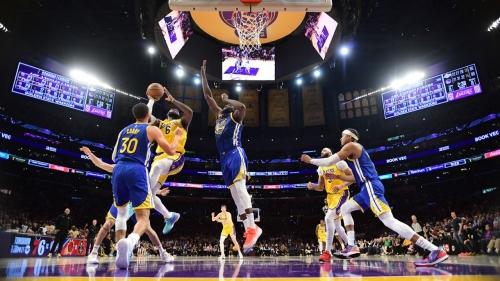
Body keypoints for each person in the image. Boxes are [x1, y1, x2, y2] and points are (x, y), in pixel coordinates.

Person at [301, 128, 449, 266]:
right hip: (365, 187)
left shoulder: (352, 145)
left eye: (342, 136)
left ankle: (434, 250)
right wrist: (337, 176)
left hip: (370, 186)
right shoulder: (355, 152)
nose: (341, 138)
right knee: (345, 208)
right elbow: (355, 178)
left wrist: (310, 160)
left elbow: (328, 161)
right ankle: (352, 246)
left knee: (389, 221)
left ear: (349, 137)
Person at [111, 103, 182, 269]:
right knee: (143, 218)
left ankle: (120, 249)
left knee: (121, 215)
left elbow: (114, 156)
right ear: (149, 114)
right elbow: (171, 151)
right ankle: (130, 241)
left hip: (119, 169)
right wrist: (177, 136)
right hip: (136, 170)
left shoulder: (123, 130)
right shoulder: (151, 129)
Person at [201, 60, 261, 253]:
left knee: (241, 189)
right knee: (235, 198)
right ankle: (247, 231)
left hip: (235, 153)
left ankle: (253, 227)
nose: (222, 106)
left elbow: (242, 106)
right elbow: (208, 95)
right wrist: (203, 75)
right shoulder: (219, 115)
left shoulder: (234, 117)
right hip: (223, 158)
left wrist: (228, 100)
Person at [79, 147, 174, 264]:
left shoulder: (139, 170)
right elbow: (100, 163)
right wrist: (89, 153)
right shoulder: (118, 167)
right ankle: (93, 253)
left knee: (148, 228)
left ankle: (162, 252)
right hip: (120, 202)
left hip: (134, 203)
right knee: (108, 223)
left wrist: (159, 192)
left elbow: (146, 186)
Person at [147, 87, 193, 234]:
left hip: (175, 156)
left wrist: (173, 100)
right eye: (172, 108)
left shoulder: (182, 123)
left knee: (157, 168)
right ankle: (169, 216)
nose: (174, 109)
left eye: (176, 109)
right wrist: (151, 100)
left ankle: (140, 195)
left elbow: (189, 112)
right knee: (152, 195)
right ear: (167, 114)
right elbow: (147, 117)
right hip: (159, 157)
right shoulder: (161, 123)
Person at [308, 147, 351, 262]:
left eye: (324, 151)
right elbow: (321, 187)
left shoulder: (339, 163)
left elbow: (353, 178)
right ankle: (351, 245)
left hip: (342, 193)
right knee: (337, 225)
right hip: (330, 196)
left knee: (328, 219)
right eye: (321, 151)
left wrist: (341, 185)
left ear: (331, 153)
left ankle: (327, 252)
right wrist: (313, 186)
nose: (322, 152)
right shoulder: (321, 168)